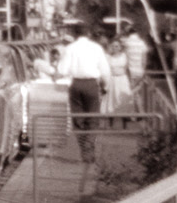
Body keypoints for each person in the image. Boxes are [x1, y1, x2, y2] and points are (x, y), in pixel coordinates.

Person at [56, 23, 111, 162]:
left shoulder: (69, 48)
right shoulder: (96, 48)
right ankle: (89, 145)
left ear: (75, 34)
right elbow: (105, 70)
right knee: (93, 117)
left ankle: (83, 149)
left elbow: (62, 70)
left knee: (78, 118)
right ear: (89, 34)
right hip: (91, 84)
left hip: (76, 84)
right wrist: (105, 86)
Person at [103, 38, 134, 119]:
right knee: (112, 100)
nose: (115, 48)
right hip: (113, 80)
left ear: (120, 47)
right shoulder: (108, 57)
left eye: (117, 46)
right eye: (113, 46)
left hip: (123, 79)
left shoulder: (125, 56)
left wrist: (131, 81)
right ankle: (111, 118)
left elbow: (128, 69)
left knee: (125, 98)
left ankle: (125, 117)